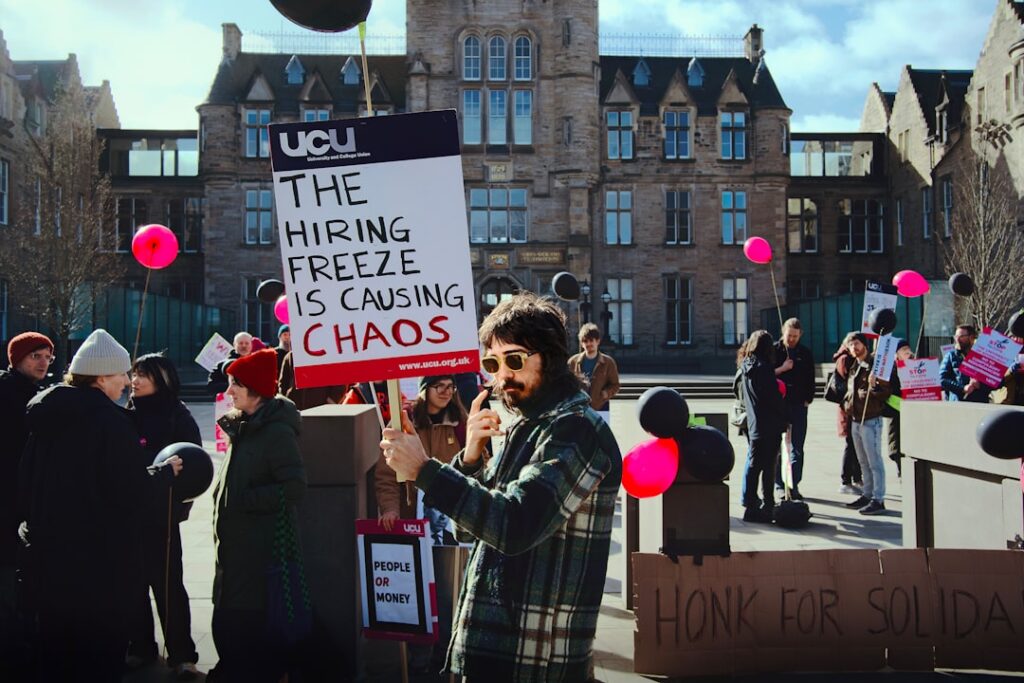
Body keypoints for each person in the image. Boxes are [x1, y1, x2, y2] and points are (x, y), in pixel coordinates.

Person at [381, 293, 621, 682]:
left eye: (514, 360)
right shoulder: (529, 424)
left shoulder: (576, 429)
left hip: (534, 656)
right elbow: (473, 529)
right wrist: (471, 459)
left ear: (552, 358)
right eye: (492, 363)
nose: (502, 376)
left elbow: (514, 525)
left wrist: (426, 470)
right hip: (496, 647)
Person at [17, 329, 182, 682]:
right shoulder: (109, 422)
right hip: (99, 564)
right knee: (98, 657)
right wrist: (163, 474)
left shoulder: (45, 416)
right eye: (122, 373)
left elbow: (26, 483)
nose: (127, 381)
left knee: (59, 656)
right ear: (101, 377)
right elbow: (130, 490)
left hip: (50, 563)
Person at [209, 348, 306, 683]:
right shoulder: (244, 426)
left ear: (255, 389)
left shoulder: (276, 432)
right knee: (227, 627)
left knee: (245, 635)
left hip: (259, 557)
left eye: (235, 384)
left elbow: (294, 488)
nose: (228, 391)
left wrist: (245, 500)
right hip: (235, 554)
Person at [125, 353, 202, 679]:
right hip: (128, 515)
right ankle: (140, 646)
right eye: (134, 373)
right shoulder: (125, 415)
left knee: (168, 584)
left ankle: (182, 654)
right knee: (132, 585)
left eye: (144, 374)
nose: (135, 380)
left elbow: (196, 468)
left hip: (163, 517)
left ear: (163, 379)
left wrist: (178, 504)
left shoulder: (178, 416)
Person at [0, 332, 53, 677]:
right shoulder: (7, 393)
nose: (43, 362)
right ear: (16, 358)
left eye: (47, 356)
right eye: (35, 355)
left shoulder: (38, 394)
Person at [375, 374, 467, 543]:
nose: (446, 392)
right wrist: (390, 509)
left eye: (450, 386)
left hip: (452, 522)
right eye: (439, 386)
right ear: (425, 390)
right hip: (411, 519)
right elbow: (386, 474)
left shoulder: (461, 423)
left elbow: (475, 469)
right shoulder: (403, 423)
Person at [738, 330, 788, 523]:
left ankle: (751, 505)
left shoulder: (746, 366)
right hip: (770, 424)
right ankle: (767, 505)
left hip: (754, 424)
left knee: (753, 465)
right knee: (768, 466)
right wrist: (786, 415)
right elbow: (772, 398)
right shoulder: (764, 368)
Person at [840, 332, 891, 515]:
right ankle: (867, 494)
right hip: (856, 419)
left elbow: (885, 392)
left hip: (871, 419)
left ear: (865, 345)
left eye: (857, 344)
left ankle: (878, 498)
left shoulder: (875, 365)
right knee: (862, 461)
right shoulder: (855, 365)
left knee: (874, 461)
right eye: (851, 345)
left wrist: (875, 385)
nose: (854, 348)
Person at [772, 318, 815, 499]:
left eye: (795, 337)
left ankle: (793, 483)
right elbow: (766, 374)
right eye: (789, 335)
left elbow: (811, 378)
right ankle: (779, 484)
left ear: (800, 335)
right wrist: (782, 368)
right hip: (779, 404)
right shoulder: (774, 350)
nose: (791, 339)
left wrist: (808, 399)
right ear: (783, 332)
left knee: (797, 446)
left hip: (798, 404)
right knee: (778, 447)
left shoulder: (805, 353)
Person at [567, 322, 620, 420]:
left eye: (591, 340)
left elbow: (615, 385)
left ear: (598, 341)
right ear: (582, 343)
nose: (588, 344)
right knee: (580, 435)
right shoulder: (572, 362)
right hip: (578, 409)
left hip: (601, 408)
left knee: (600, 435)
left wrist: (605, 393)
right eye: (585, 341)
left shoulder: (608, 362)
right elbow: (566, 384)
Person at [833, 338, 863, 494]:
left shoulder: (851, 359)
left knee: (855, 445)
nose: (854, 347)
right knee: (850, 444)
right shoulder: (845, 359)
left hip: (852, 408)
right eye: (851, 344)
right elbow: (848, 384)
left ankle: (857, 478)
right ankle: (845, 480)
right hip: (847, 409)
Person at [277, 350, 347, 410]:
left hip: (320, 410)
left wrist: (330, 402)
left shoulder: (331, 354)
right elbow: (283, 383)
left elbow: (341, 382)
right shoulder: (290, 356)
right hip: (295, 410)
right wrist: (287, 402)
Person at [940, 325, 991, 403]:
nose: (957, 339)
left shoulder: (983, 357)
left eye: (961, 336)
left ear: (971, 337)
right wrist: (962, 388)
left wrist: (981, 385)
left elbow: (999, 383)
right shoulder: (951, 356)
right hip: (958, 405)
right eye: (956, 336)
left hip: (980, 404)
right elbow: (942, 379)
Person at [885, 340, 913, 478]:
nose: (907, 351)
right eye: (903, 350)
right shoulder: (891, 369)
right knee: (897, 445)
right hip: (896, 412)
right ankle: (901, 471)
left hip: (912, 413)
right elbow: (888, 392)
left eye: (908, 348)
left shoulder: (916, 365)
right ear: (896, 354)